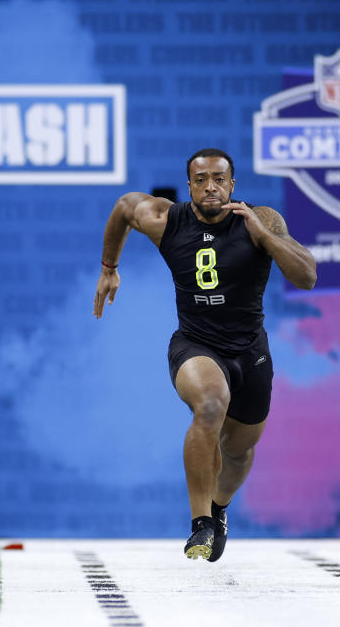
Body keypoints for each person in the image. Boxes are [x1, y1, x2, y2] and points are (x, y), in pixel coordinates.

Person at [93, 148, 317, 561]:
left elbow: (307, 276)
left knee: (239, 450)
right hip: (196, 344)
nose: (210, 186)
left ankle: (219, 508)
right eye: (200, 180)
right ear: (190, 185)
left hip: (250, 352)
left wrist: (264, 237)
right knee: (211, 405)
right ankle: (200, 525)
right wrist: (109, 266)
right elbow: (125, 207)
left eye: (219, 179)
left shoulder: (261, 219)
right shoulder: (168, 220)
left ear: (232, 185)